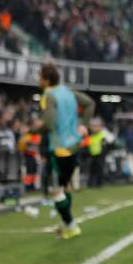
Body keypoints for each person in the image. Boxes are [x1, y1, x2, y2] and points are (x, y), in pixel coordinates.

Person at [35, 63, 94, 239]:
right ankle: (65, 225)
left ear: (46, 79)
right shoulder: (68, 92)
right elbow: (90, 103)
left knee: (56, 190)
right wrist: (83, 125)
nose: (38, 80)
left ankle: (71, 225)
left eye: (40, 76)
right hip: (74, 145)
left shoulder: (49, 95)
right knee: (64, 188)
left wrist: (33, 130)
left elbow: (50, 124)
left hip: (60, 148)